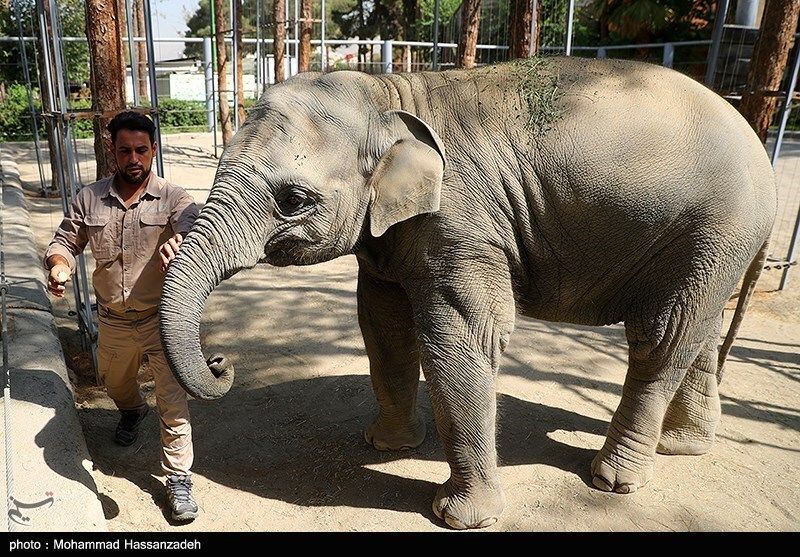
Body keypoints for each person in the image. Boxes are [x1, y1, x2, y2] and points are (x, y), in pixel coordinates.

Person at [43, 111, 200, 522]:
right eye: (125, 150)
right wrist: (59, 265)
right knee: (114, 384)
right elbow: (65, 240)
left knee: (172, 400)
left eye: (142, 150)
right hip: (112, 320)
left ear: (154, 150)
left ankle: (179, 479)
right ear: (112, 151)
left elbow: (196, 230)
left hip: (163, 319)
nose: (134, 158)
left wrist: (182, 244)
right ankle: (132, 412)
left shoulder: (175, 197)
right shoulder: (88, 197)